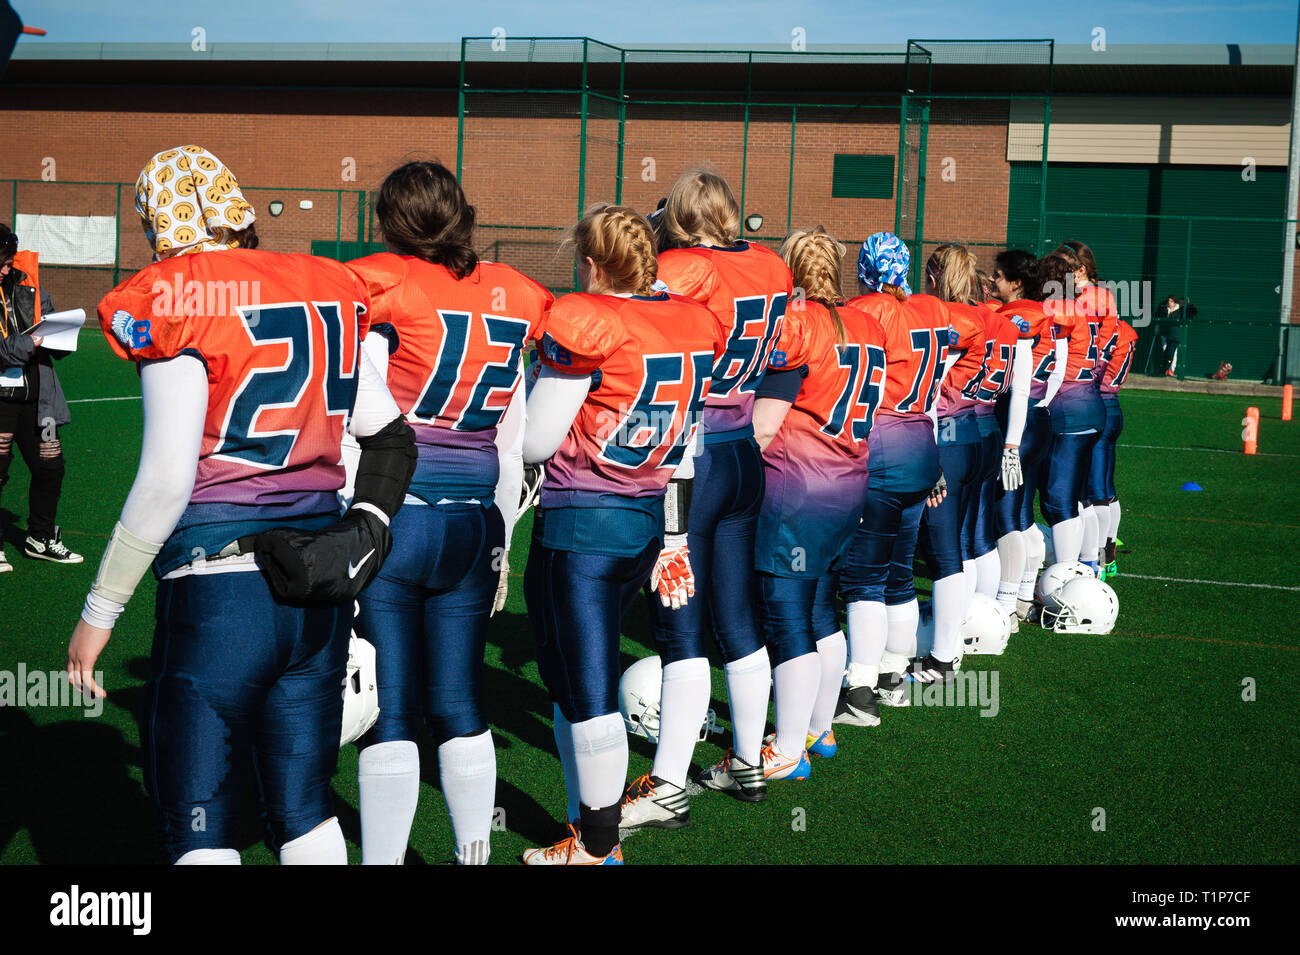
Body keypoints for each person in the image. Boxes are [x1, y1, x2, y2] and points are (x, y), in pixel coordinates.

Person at [65, 145, 415, 865]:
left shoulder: (177, 294)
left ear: (157, 219)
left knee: (200, 825)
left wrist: (98, 612)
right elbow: (391, 438)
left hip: (219, 595)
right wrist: (369, 529)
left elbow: (166, 480)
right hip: (317, 587)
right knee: (304, 809)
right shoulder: (325, 285)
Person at [345, 160, 554, 865]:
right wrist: (502, 552)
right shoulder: (511, 299)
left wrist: (348, 529)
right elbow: (512, 442)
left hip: (396, 517)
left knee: (393, 709)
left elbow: (361, 427)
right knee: (462, 704)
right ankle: (472, 856)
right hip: (475, 524)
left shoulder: (390, 294)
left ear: (392, 222)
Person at [520, 203, 725, 864]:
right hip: (642, 525)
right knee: (575, 684)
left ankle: (599, 846)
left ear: (591, 262)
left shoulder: (590, 319)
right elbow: (687, 442)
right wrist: (673, 536)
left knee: (585, 690)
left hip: (580, 528)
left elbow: (538, 439)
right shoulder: (689, 320)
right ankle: (589, 825)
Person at [621, 167, 793, 822]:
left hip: (693, 454)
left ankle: (667, 785)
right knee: (738, 617)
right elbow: (783, 356)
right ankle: (748, 761)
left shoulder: (684, 268)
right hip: (744, 449)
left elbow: (644, 341)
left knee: (681, 623)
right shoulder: (771, 264)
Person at [749, 226, 886, 766]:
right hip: (850, 481)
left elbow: (763, 426)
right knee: (823, 611)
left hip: (797, 486)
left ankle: (786, 750)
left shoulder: (798, 324)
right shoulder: (868, 324)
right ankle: (818, 730)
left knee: (786, 619)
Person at [836, 231, 951, 721]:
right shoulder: (934, 310)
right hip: (922, 444)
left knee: (864, 577)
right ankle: (892, 677)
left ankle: (859, 689)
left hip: (879, 447)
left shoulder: (864, 312)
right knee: (900, 575)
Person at [916, 245, 992, 661]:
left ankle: (944, 655)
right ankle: (957, 631)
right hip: (973, 434)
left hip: (941, 441)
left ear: (933, 278)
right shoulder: (987, 316)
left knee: (942, 550)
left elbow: (928, 389)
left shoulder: (941, 319)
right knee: (959, 544)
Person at [0, 222, 80, 570]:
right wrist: (25, 344)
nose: (7, 268)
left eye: (9, 261)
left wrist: (61, 337)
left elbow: (46, 322)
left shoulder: (28, 285)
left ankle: (41, 537)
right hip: (1, 402)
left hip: (39, 398)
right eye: (2, 262)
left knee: (51, 466)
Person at [990, 250, 1059, 622]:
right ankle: (1021, 598)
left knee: (1005, 516)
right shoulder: (1049, 314)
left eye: (999, 276)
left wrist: (1011, 442)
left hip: (1017, 422)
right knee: (1021, 514)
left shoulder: (1017, 318)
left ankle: (1005, 608)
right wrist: (1043, 403)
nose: (993, 281)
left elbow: (1017, 386)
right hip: (1039, 417)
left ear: (1016, 282)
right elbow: (1060, 368)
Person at [1037, 252, 1106, 568]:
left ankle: (1065, 575)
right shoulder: (1081, 307)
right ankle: (1091, 562)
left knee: (1059, 498)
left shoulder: (1059, 309)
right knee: (1079, 497)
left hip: (1069, 408)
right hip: (1091, 403)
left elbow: (1053, 362)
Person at [1094, 319, 1138, 578]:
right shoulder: (1126, 332)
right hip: (1113, 405)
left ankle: (1098, 561)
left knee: (1094, 492)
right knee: (1106, 488)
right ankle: (1107, 556)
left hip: (1094, 405)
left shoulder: (1100, 328)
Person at [1152, 295, 1195, 377]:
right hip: (1167, 334)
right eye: (1168, 301)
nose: (1169, 303)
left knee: (1172, 353)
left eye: (1171, 301)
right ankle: (1164, 370)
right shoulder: (1167, 310)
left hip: (1176, 336)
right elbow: (1160, 320)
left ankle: (1170, 370)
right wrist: (1158, 329)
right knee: (1167, 352)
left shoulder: (1182, 311)